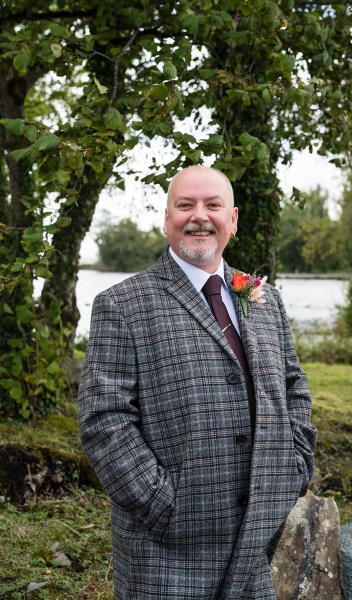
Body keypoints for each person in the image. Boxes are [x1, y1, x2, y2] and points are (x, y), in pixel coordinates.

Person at [78, 165, 317, 600]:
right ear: (167, 217)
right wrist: (161, 505)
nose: (199, 216)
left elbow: (293, 386)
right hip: (166, 553)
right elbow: (103, 419)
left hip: (256, 542)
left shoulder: (264, 298)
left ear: (234, 219)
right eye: (185, 205)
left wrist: (294, 466)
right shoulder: (122, 304)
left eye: (213, 205)